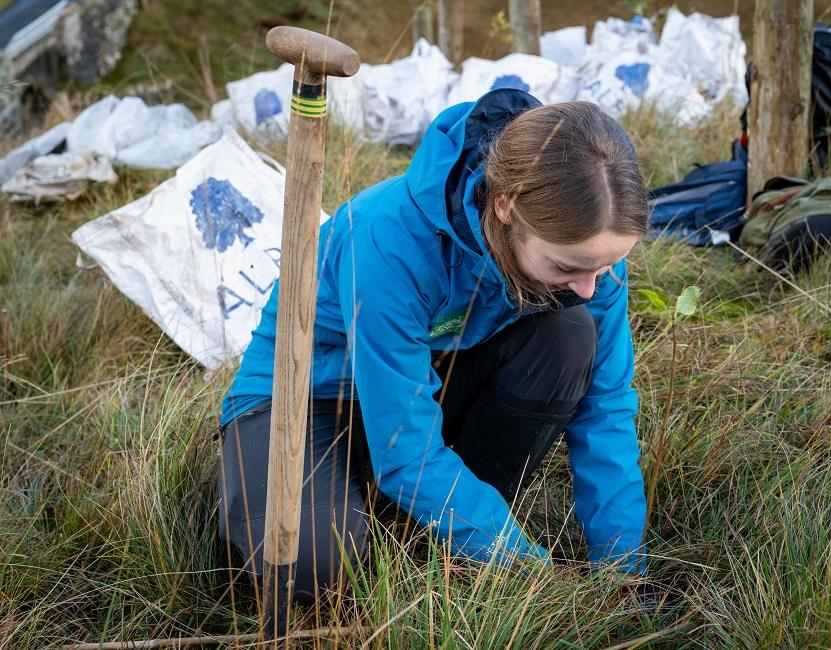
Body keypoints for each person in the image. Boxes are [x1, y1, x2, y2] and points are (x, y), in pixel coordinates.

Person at [216, 88, 649, 605]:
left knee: (570, 332)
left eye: (604, 267)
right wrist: (534, 573)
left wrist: (622, 568)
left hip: (427, 381)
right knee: (314, 572)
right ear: (506, 208)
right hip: (307, 398)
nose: (590, 286)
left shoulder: (587, 249)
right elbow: (406, 451)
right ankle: (304, 499)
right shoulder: (386, 239)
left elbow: (606, 411)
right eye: (565, 267)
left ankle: (451, 536)